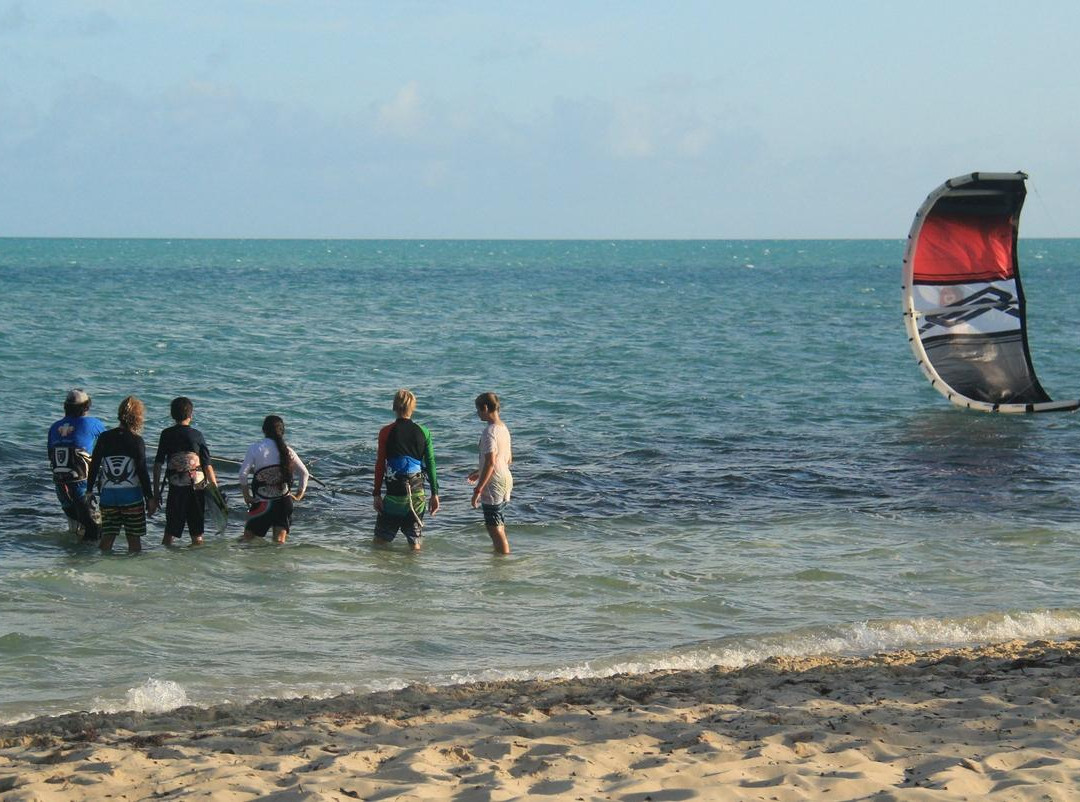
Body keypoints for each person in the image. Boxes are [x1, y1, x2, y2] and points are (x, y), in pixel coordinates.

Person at [86, 396, 157, 554]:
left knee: (107, 539)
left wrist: (89, 491)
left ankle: (101, 566)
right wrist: (150, 498)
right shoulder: (137, 441)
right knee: (134, 542)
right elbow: (142, 471)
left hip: (108, 497)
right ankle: (133, 569)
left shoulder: (105, 437)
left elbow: (94, 465)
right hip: (131, 498)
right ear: (138, 418)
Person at [372, 389, 440, 551]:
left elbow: (380, 464)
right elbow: (431, 463)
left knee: (379, 543)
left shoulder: (385, 432)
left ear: (394, 407)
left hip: (394, 495)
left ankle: (382, 567)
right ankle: (415, 567)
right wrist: (435, 494)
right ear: (413, 408)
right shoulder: (424, 432)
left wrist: (376, 494)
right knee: (414, 544)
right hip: (417, 495)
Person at [153, 397, 219, 547]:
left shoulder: (166, 434)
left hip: (176, 488)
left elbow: (157, 465)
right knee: (197, 535)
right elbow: (207, 466)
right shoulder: (197, 435)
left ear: (172, 415)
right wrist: (215, 491)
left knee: (169, 533)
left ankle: (165, 558)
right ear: (191, 415)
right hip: (197, 488)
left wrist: (156, 493)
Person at [47, 388, 107, 541]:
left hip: (61, 488)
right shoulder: (92, 423)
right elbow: (111, 444)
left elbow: (50, 455)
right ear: (86, 407)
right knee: (95, 533)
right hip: (82, 488)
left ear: (65, 407)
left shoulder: (54, 427)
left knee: (75, 533)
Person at [239, 415, 308, 544]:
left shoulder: (255, 448)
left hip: (263, 504)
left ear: (263, 430)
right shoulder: (288, 451)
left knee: (247, 541)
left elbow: (243, 474)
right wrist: (299, 495)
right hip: (284, 503)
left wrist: (246, 496)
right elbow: (304, 473)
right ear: (282, 431)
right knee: (279, 543)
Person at [468, 392, 513, 554]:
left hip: (494, 483)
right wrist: (479, 472)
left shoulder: (489, 432)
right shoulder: (503, 428)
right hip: (506, 479)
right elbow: (508, 459)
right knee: (498, 523)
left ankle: (503, 561)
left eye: (478, 410)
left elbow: (491, 462)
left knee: (494, 528)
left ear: (485, 408)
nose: (478, 413)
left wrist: (478, 490)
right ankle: (499, 555)